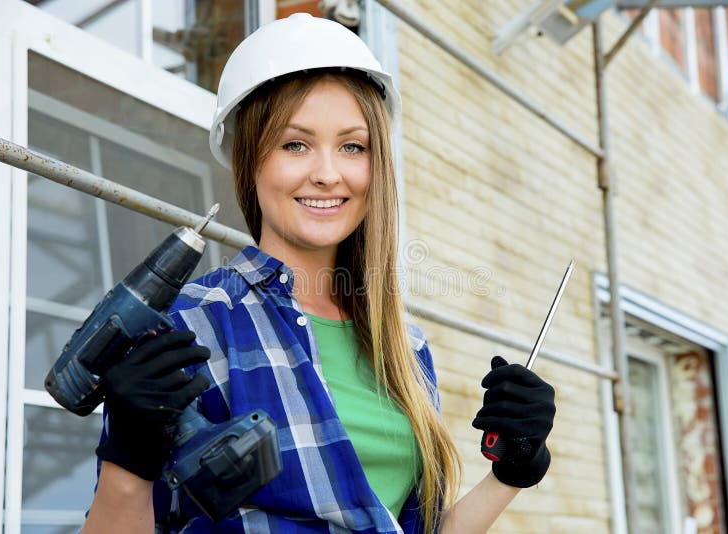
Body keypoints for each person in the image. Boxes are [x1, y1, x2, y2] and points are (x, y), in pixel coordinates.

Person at [83, 13, 556, 534]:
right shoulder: (187, 325)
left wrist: (512, 473)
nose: (329, 173)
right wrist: (127, 462)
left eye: (353, 146)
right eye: (295, 144)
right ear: (250, 160)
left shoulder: (405, 347)